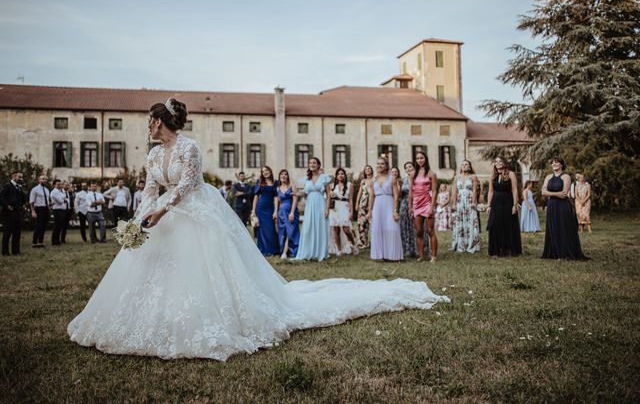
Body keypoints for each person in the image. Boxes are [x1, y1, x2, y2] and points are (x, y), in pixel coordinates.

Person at [67, 98, 449, 361]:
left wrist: (163, 211)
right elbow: (152, 187)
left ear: (163, 121)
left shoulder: (189, 149)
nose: (148, 128)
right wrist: (140, 217)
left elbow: (185, 186)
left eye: (151, 121)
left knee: (205, 269)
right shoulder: (152, 155)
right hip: (163, 215)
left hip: (194, 213)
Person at [541, 157, 588, 260]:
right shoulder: (548, 177)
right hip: (552, 206)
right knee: (553, 228)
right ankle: (555, 252)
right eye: (553, 163)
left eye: (556, 162)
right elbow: (543, 192)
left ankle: (565, 252)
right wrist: (556, 193)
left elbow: (564, 194)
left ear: (561, 164)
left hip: (563, 206)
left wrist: (551, 194)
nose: (554, 164)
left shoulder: (566, 176)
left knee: (563, 228)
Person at [295, 157, 332, 261]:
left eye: (314, 163)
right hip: (310, 205)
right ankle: (307, 252)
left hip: (321, 204)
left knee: (320, 227)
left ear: (318, 165)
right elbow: (304, 192)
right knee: (308, 228)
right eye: (310, 163)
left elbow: (329, 194)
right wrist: (296, 193)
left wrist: (327, 209)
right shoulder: (307, 179)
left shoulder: (325, 177)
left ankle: (320, 253)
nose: (312, 164)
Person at [368, 157, 403, 261]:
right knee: (378, 229)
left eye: (382, 164)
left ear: (387, 166)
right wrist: (370, 210)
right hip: (377, 206)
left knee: (392, 228)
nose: (379, 166)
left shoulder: (392, 178)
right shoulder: (373, 180)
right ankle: (382, 254)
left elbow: (396, 196)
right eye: (378, 164)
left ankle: (394, 255)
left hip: (389, 204)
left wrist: (395, 210)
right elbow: (371, 196)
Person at [487, 157, 522, 257]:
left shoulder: (510, 174)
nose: (498, 163)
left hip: (507, 201)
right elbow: (490, 191)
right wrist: (488, 205)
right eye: (496, 161)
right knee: (493, 225)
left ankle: (508, 250)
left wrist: (515, 204)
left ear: (504, 163)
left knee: (507, 225)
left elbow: (514, 190)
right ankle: (495, 251)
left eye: (500, 161)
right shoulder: (493, 175)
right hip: (495, 202)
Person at [409, 151, 438, 262]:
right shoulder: (413, 174)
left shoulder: (431, 174)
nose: (420, 160)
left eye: (421, 158)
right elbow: (411, 192)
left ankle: (433, 256)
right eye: (417, 158)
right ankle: (421, 256)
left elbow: (434, 191)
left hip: (427, 203)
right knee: (419, 231)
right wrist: (410, 207)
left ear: (425, 159)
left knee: (430, 230)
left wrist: (432, 207)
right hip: (416, 204)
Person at [450, 160, 481, 253]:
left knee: (471, 221)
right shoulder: (456, 177)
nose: (464, 166)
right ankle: (460, 244)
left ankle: (471, 244)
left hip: (469, 200)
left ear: (470, 167)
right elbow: (454, 191)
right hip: (459, 202)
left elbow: (475, 190)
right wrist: (454, 204)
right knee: (459, 222)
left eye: (466, 164)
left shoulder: (473, 177)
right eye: (462, 164)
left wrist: (474, 202)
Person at [329, 168, 357, 256]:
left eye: (342, 174)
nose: (340, 175)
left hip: (345, 207)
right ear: (336, 176)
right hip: (335, 208)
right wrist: (331, 193)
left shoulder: (350, 185)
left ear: (345, 175)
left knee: (346, 229)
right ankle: (339, 249)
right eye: (339, 174)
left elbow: (351, 199)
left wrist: (351, 212)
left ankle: (353, 244)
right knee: (335, 229)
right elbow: (328, 196)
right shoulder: (332, 186)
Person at [251, 166, 279, 256]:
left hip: (270, 208)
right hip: (261, 208)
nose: (265, 172)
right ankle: (264, 250)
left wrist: (275, 211)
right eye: (263, 172)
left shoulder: (276, 182)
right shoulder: (260, 182)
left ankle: (273, 250)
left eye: (266, 170)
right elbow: (256, 197)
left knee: (271, 229)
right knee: (261, 230)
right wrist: (253, 211)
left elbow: (276, 197)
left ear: (270, 171)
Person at [275, 169, 300, 259]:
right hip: (282, 212)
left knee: (291, 230)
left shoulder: (292, 185)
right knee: (283, 232)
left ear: (287, 176)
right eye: (282, 174)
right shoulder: (278, 188)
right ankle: (285, 251)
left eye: (285, 174)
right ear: (279, 176)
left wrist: (292, 212)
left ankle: (285, 253)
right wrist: (276, 213)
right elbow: (278, 202)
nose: (283, 176)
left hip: (291, 211)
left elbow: (295, 199)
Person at [0, 171, 25, 256]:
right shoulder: (8, 186)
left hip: (18, 212)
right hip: (9, 213)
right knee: (7, 232)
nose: (21, 179)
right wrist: (7, 205)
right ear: (13, 177)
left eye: (22, 177)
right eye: (19, 177)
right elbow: (1, 197)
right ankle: (5, 251)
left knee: (17, 233)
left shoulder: (19, 187)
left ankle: (16, 250)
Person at [399, 162, 417, 257]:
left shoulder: (418, 178)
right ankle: (405, 248)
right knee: (404, 225)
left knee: (415, 226)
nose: (408, 168)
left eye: (410, 166)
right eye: (406, 167)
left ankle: (416, 249)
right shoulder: (403, 179)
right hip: (404, 203)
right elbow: (400, 194)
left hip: (416, 202)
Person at [355, 165, 374, 250]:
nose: (367, 170)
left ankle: (373, 242)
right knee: (362, 223)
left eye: (369, 169)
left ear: (371, 170)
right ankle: (363, 242)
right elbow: (359, 192)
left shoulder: (375, 179)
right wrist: (357, 203)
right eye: (366, 169)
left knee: (372, 222)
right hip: (362, 203)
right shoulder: (363, 181)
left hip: (372, 202)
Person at [29, 175, 50, 248]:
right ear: (39, 180)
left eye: (46, 179)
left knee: (44, 226)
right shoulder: (35, 189)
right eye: (43, 179)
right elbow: (31, 201)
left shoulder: (47, 190)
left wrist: (48, 207)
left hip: (46, 209)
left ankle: (40, 241)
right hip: (38, 209)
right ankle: (34, 242)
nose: (44, 180)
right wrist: (33, 211)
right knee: (38, 226)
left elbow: (47, 201)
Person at [50, 179, 68, 246]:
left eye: (60, 184)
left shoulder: (61, 192)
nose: (60, 185)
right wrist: (63, 199)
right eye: (58, 184)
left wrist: (64, 199)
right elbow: (60, 201)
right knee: (56, 226)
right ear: (54, 185)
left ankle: (57, 240)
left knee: (60, 226)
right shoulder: (54, 192)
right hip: (57, 210)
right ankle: (54, 241)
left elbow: (66, 200)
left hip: (62, 210)